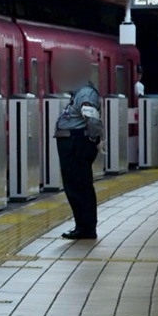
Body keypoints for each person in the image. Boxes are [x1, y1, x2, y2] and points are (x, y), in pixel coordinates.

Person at [52, 55, 104, 240]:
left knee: (79, 187)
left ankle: (86, 227)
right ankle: (82, 225)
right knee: (76, 186)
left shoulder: (85, 93)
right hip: (74, 143)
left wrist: (95, 139)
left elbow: (90, 116)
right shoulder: (80, 92)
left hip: (77, 144)